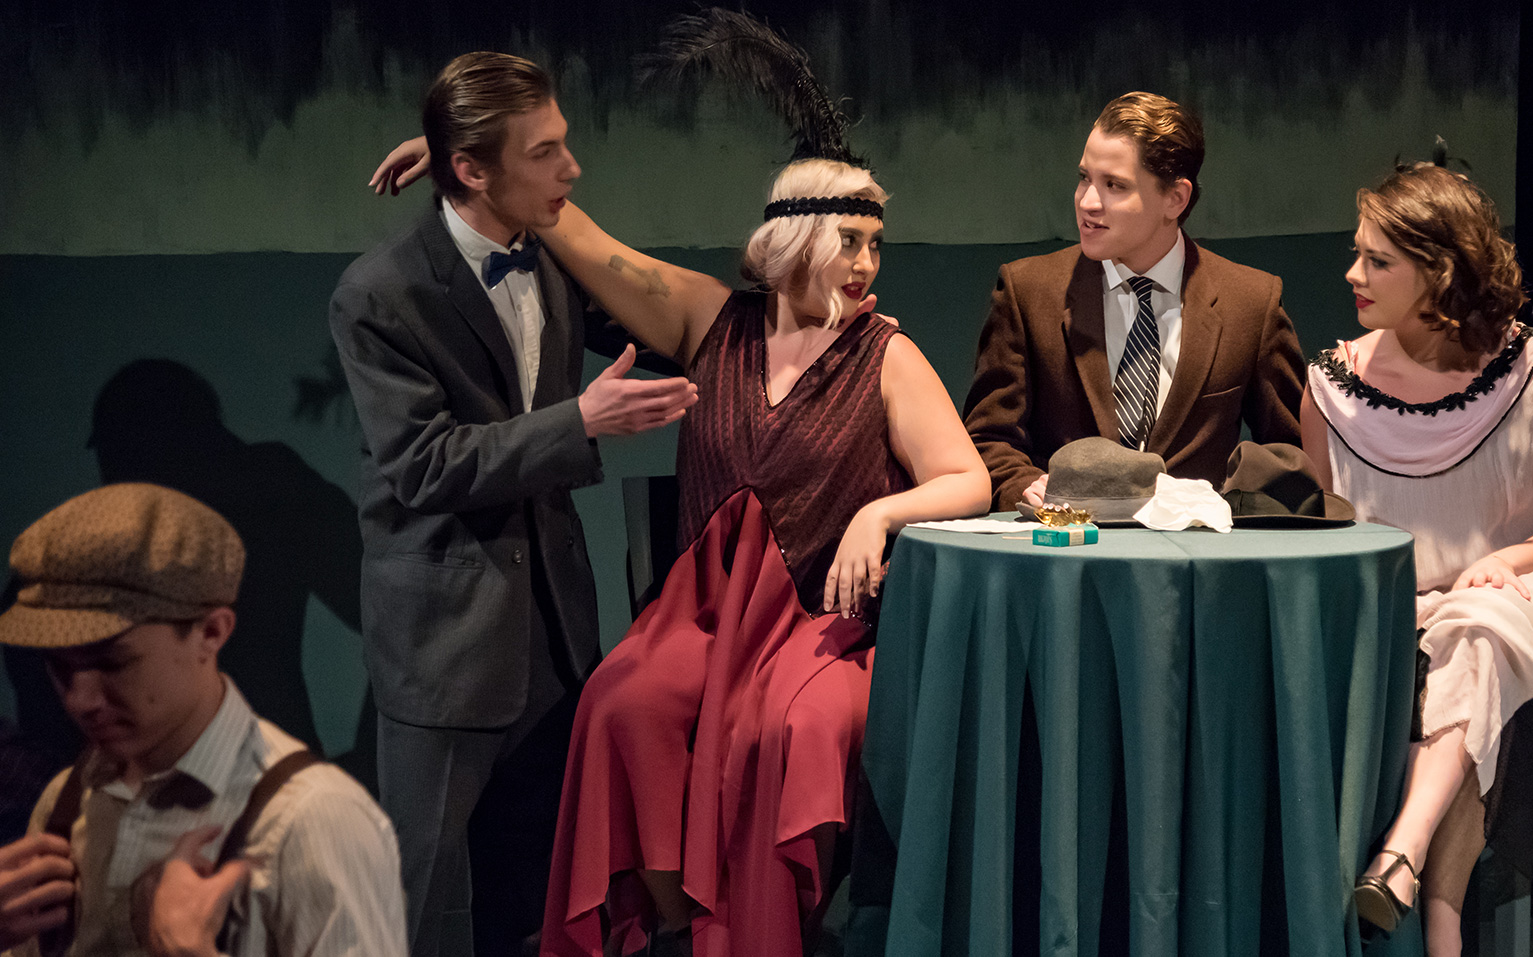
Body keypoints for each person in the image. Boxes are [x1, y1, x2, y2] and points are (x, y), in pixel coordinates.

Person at [367, 126, 990, 953]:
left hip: (819, 629)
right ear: (794, 239)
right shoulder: (710, 320)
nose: (866, 264)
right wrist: (475, 157)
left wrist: (880, 514)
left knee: (789, 732)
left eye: (875, 244)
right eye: (848, 242)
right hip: (699, 615)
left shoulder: (886, 354)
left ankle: (763, 930)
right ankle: (682, 922)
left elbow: (967, 477)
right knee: (623, 701)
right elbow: (589, 243)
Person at [329, 52, 698, 957]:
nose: (572, 169)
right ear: (471, 169)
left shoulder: (555, 262)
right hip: (447, 647)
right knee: (431, 899)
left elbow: (685, 317)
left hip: (557, 637)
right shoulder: (380, 293)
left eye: (564, 144)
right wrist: (583, 419)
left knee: (538, 891)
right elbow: (422, 464)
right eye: (546, 153)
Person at [1300, 164, 1533, 953]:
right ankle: (1438, 923)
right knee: (1459, 661)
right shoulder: (1330, 389)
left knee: (1478, 624)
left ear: (1438, 273)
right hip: (1402, 621)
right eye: (1356, 253)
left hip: (1532, 607)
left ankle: (1403, 856)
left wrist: (1508, 560)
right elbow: (1332, 538)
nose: (1352, 274)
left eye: (1377, 260)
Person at [0, 482, 406, 957]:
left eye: (113, 662)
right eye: (59, 666)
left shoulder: (312, 821)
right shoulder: (66, 801)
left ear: (211, 633)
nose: (80, 699)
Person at [962, 91, 1304, 510]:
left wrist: (1223, 502)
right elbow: (988, 437)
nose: (1087, 202)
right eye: (1085, 177)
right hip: (1066, 554)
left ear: (1175, 199)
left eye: (1114, 186)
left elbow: (1289, 452)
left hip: (1195, 562)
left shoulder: (1251, 303)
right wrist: (1027, 485)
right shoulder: (1027, 290)